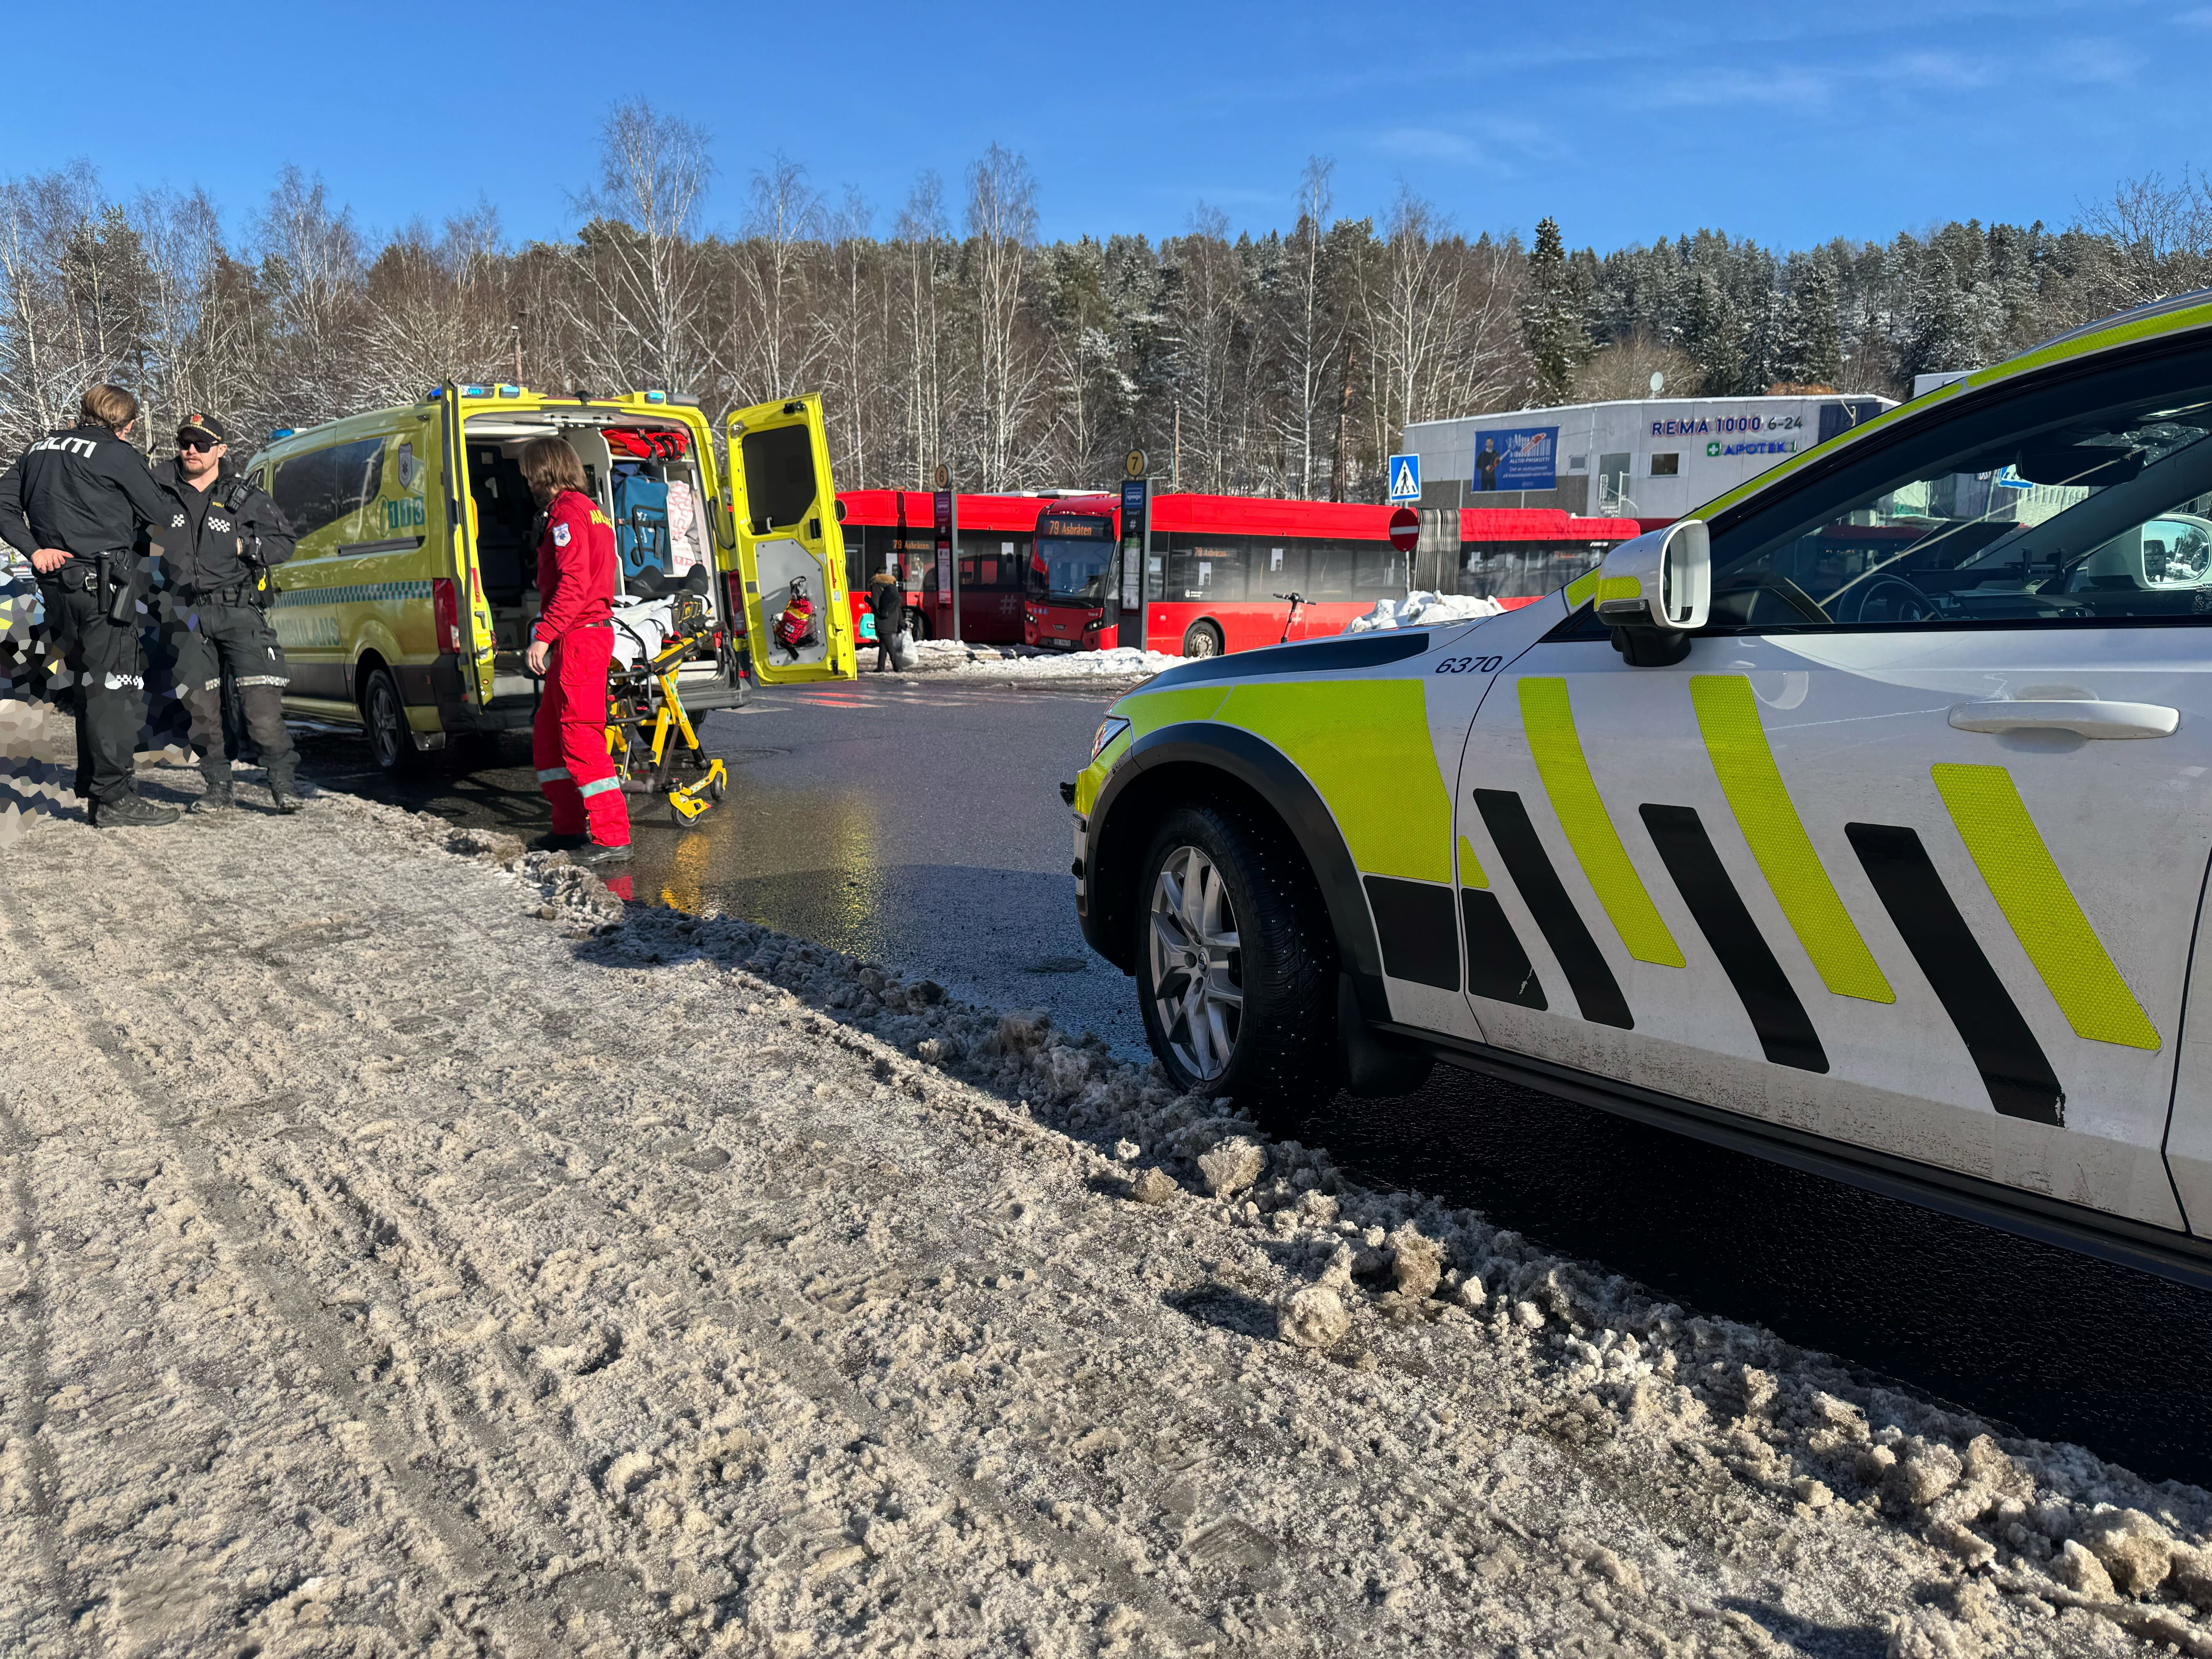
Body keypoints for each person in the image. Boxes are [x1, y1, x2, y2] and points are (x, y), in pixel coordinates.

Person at [0, 385, 183, 827]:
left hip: (57, 587)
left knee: (88, 684)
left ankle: (92, 779)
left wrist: (34, 550)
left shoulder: (38, 449)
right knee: (114, 688)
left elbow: (3, 505)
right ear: (128, 425)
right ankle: (114, 796)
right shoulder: (117, 454)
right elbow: (161, 514)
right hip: (104, 589)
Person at [151, 413, 299, 816]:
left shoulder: (243, 495)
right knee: (200, 710)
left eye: (201, 444)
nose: (191, 451)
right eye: (185, 443)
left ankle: (283, 784)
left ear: (221, 449)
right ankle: (218, 788)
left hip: (238, 609)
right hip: (185, 613)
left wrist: (241, 545)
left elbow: (284, 542)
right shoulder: (159, 492)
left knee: (261, 707)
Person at [519, 436, 630, 863]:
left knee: (580, 733)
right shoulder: (589, 510)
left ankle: (612, 836)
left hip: (581, 636)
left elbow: (574, 583)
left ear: (543, 470)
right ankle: (567, 827)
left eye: (529, 472)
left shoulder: (567, 513)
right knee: (550, 733)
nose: (527, 480)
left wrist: (544, 634)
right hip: (579, 635)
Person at [869, 568, 903, 671]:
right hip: (893, 618)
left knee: (889, 645)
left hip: (883, 620)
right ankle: (881, 667)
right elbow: (898, 606)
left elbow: (875, 604)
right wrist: (901, 621)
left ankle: (898, 667)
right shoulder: (892, 587)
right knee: (883, 644)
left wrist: (868, 601)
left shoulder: (876, 587)